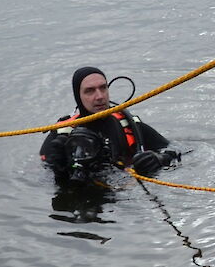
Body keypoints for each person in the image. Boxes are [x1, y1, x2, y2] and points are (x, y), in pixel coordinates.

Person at [40, 66, 180, 181]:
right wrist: (59, 171)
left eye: (103, 88)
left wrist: (160, 159)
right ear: (78, 96)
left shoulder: (129, 125)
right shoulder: (62, 133)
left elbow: (183, 150)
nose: (100, 96)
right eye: (90, 91)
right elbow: (40, 177)